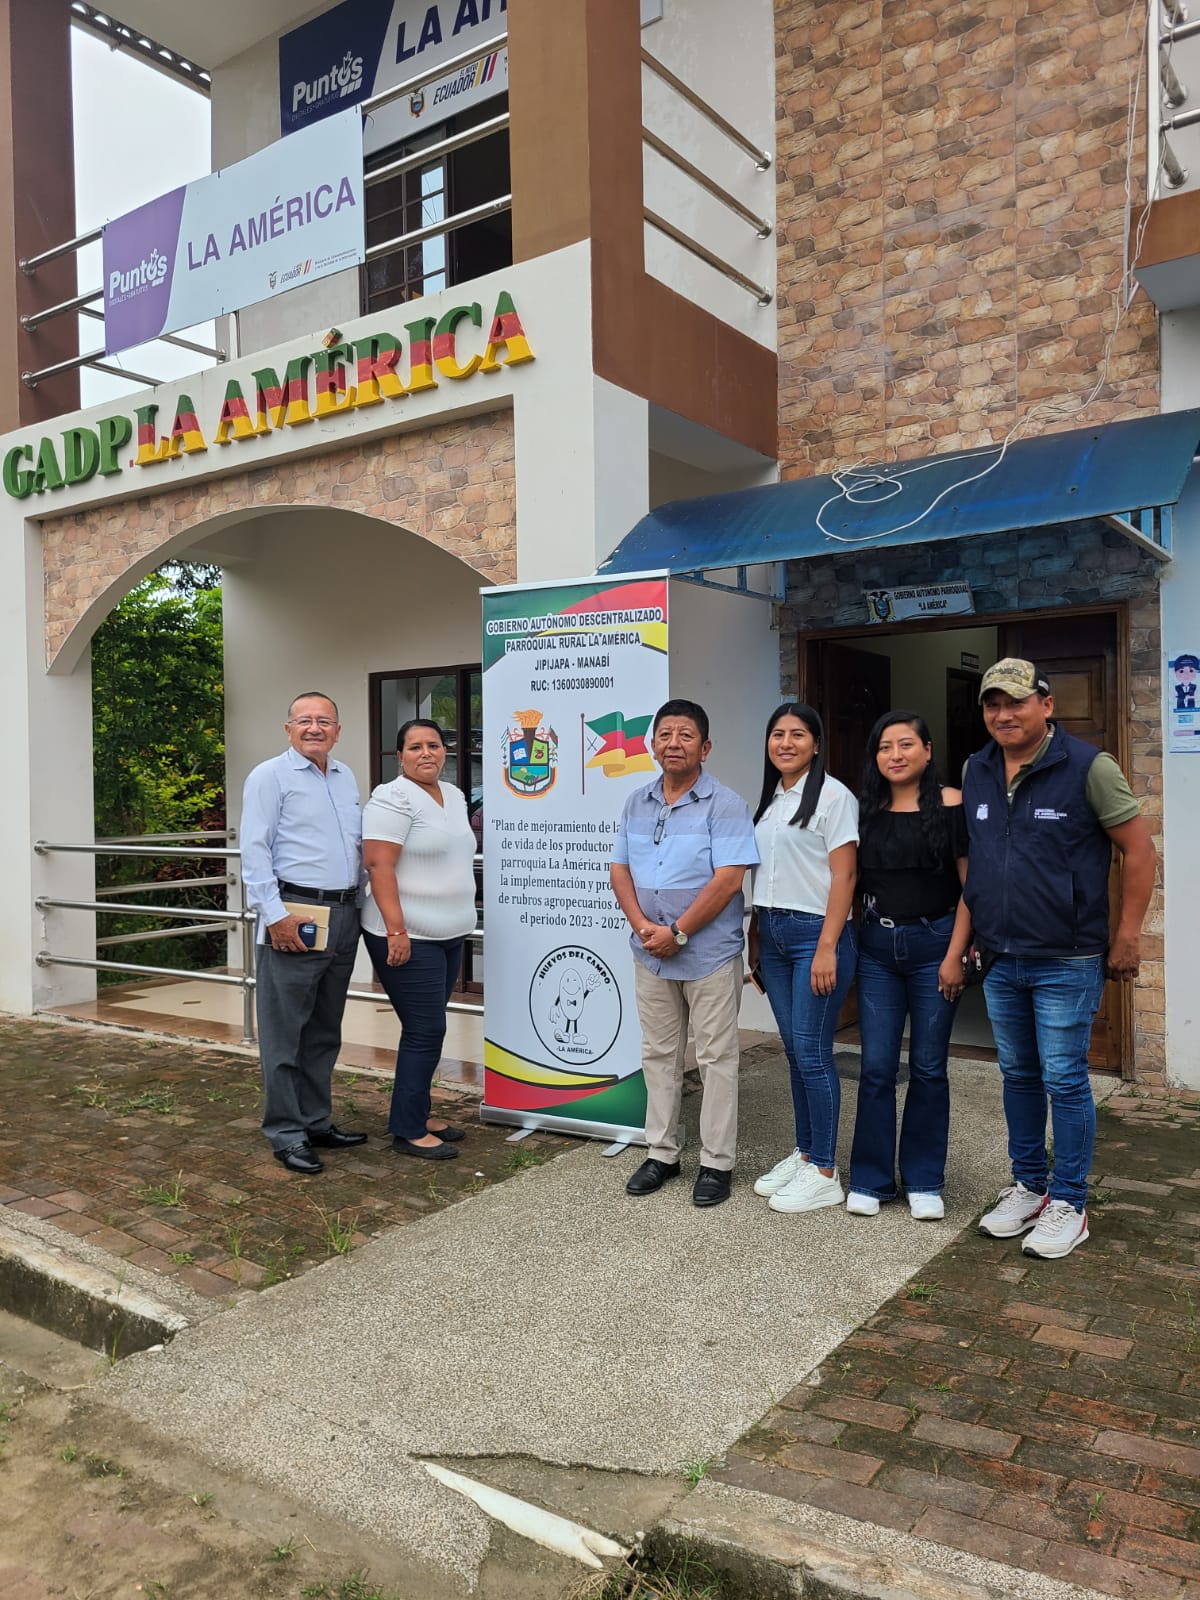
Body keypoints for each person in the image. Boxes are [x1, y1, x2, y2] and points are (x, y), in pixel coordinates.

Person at [966, 659, 1157, 1259]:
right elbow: (980, 860)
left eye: (1016, 702)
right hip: (1000, 957)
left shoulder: (1089, 767)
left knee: (1065, 1078)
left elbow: (1139, 850)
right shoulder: (976, 769)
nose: (1004, 714)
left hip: (1067, 958)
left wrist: (1128, 935)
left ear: (1045, 705)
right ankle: (1029, 1187)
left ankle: (1070, 1201)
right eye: (993, 704)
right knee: (1018, 1075)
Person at [609, 699, 759, 1207]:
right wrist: (645, 928)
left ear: (705, 747)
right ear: (652, 745)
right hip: (650, 952)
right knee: (658, 1055)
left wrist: (677, 932)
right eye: (665, 734)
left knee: (717, 1059)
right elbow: (620, 869)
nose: (674, 743)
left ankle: (717, 1163)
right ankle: (662, 1153)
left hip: (708, 955)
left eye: (686, 735)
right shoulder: (636, 802)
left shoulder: (726, 804)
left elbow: (729, 880)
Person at [847, 711, 972, 1221]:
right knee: (876, 1067)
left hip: (935, 944)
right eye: (885, 747)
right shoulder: (864, 810)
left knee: (928, 1066)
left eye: (905, 745)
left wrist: (954, 956)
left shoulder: (953, 805)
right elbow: (847, 880)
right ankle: (871, 1179)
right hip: (878, 948)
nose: (894, 755)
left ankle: (923, 1180)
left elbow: (971, 889)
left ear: (927, 750)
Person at [241, 692, 366, 1174]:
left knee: (324, 1029)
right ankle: (286, 1133)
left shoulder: (345, 776)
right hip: (295, 913)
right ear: (288, 728)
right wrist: (274, 916)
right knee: (284, 1032)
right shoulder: (269, 776)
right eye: (305, 720)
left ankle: (316, 1121)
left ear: (338, 730)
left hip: (343, 913)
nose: (315, 728)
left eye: (324, 721)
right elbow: (254, 849)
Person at [750, 703, 858, 1215]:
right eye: (778, 734)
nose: (786, 743)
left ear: (816, 744)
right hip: (772, 934)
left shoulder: (835, 797)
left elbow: (845, 876)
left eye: (797, 734)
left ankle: (825, 1172)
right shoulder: (772, 799)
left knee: (813, 1053)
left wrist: (828, 946)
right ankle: (806, 1151)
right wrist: (756, 935)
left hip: (816, 933)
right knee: (794, 1052)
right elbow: (765, 873)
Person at [361, 719, 479, 1161]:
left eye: (434, 744)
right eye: (415, 747)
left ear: (445, 752)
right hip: (408, 935)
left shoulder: (454, 795)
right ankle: (408, 1130)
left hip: (449, 934)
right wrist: (396, 930)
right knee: (425, 1030)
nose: (426, 753)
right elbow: (379, 866)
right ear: (400, 756)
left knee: (429, 1027)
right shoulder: (391, 798)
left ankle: (417, 1112)